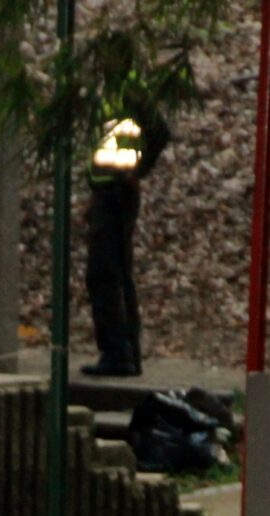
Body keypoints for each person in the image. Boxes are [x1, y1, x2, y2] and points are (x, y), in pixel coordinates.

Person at [81, 109, 169, 379]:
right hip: (108, 191)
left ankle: (119, 352)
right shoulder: (112, 92)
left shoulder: (127, 92)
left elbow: (160, 132)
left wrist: (137, 172)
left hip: (116, 193)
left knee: (106, 273)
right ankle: (125, 352)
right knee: (113, 273)